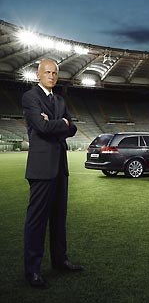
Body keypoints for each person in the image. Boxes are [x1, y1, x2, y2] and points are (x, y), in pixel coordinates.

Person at [22, 59, 83, 288]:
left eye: (55, 72)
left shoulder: (59, 100)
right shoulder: (30, 97)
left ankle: (60, 261)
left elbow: (73, 128)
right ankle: (32, 271)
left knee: (59, 219)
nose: (51, 75)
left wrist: (57, 123)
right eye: (47, 72)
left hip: (60, 167)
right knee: (36, 221)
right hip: (41, 168)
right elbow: (41, 126)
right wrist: (62, 124)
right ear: (38, 75)